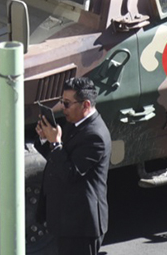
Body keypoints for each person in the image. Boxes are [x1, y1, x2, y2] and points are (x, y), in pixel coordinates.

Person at [34, 76, 110, 255]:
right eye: (62, 102)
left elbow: (70, 173)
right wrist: (47, 139)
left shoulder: (95, 136)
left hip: (82, 226)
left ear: (85, 105)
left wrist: (56, 143)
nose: (62, 108)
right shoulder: (75, 123)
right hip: (68, 221)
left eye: (67, 103)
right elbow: (57, 159)